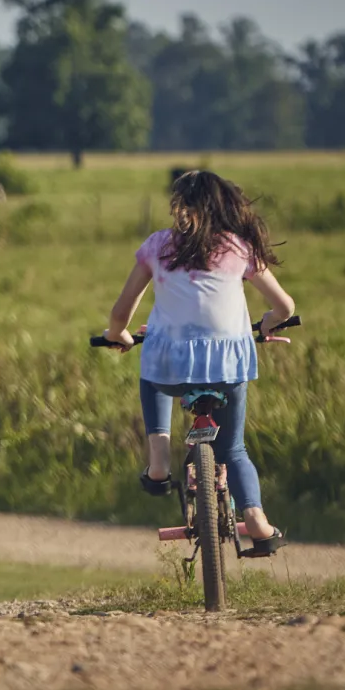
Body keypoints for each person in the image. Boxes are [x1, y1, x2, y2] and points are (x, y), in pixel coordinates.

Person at [102, 169, 294, 556]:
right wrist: (269, 323)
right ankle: (255, 521)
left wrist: (118, 335)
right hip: (228, 364)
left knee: (152, 372)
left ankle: (158, 463)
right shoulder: (239, 248)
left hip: (170, 364)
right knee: (234, 449)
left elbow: (120, 313)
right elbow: (285, 305)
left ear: (180, 208)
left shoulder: (158, 246)